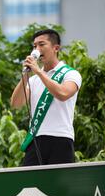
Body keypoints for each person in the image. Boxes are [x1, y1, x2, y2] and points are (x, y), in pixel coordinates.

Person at [10, 29, 82, 166]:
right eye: (34, 46)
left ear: (56, 48)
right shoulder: (34, 79)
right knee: (30, 185)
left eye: (42, 44)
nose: (37, 49)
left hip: (61, 139)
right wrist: (25, 75)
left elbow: (63, 94)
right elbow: (16, 104)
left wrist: (38, 71)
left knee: (59, 186)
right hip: (35, 140)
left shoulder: (71, 74)